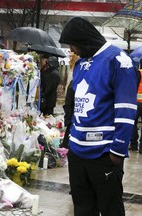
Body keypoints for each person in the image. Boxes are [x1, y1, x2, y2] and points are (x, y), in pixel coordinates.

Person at [59, 17, 137, 216]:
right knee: (82, 209)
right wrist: (70, 141)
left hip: (103, 153)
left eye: (72, 44)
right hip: (77, 152)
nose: (72, 50)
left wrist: (117, 151)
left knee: (111, 210)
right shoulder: (81, 62)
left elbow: (126, 110)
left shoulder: (118, 61)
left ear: (83, 40)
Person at [130, 59, 142, 152]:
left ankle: (134, 145)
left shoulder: (139, 73)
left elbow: (134, 86)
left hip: (137, 102)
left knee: (133, 123)